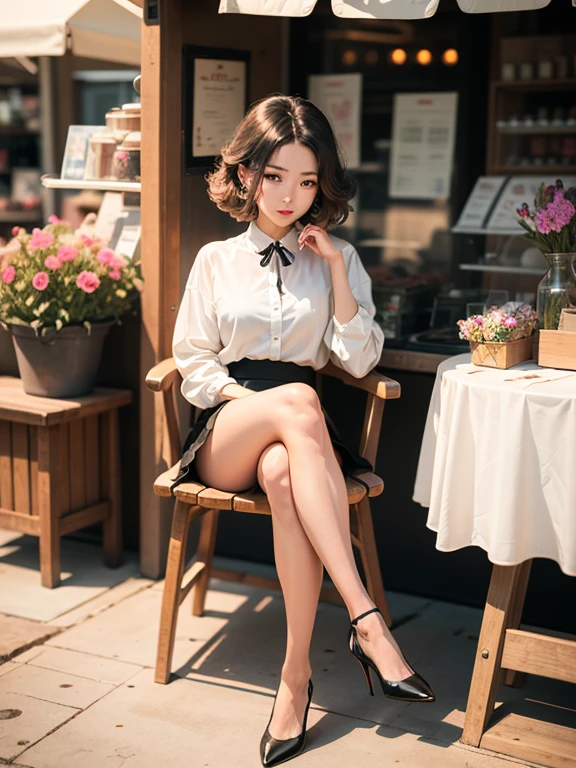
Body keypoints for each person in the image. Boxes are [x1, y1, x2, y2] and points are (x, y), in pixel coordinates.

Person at [171, 94, 434, 767]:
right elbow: (193, 360)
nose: (289, 195)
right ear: (246, 176)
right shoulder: (215, 260)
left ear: (323, 185)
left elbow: (358, 359)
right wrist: (246, 402)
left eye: (307, 180)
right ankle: (367, 620)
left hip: (302, 445)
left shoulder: (334, 256)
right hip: (228, 429)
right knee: (295, 403)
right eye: (276, 176)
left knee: (288, 470)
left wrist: (340, 274)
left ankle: (294, 681)